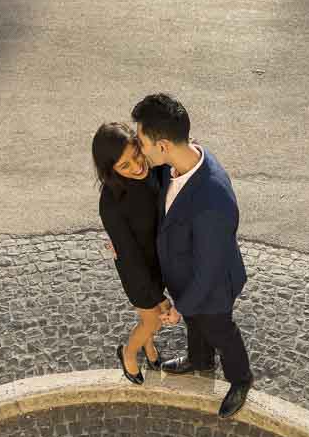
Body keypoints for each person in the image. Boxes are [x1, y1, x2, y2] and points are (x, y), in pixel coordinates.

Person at [131, 93, 253, 418]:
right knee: (196, 323)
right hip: (187, 278)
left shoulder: (213, 200)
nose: (139, 150)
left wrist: (180, 308)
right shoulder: (178, 162)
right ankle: (200, 361)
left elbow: (209, 271)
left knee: (219, 330)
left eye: (142, 142)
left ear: (163, 146)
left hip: (211, 286)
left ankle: (241, 379)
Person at [92, 122, 170, 385]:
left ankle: (149, 349)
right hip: (136, 272)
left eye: (137, 154)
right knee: (153, 322)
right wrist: (158, 297)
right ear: (110, 170)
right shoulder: (111, 204)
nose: (137, 166)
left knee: (149, 319)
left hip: (159, 263)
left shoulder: (152, 168)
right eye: (125, 166)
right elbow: (129, 255)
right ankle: (128, 353)